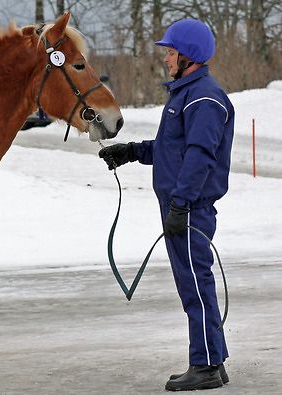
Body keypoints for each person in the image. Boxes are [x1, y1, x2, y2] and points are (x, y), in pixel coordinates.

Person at [98, 19, 234, 391]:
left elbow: (200, 155)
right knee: (193, 284)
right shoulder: (186, 94)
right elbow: (171, 149)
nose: (166, 58)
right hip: (181, 206)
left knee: (195, 285)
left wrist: (180, 204)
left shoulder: (204, 97)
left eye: (171, 52)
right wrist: (130, 152)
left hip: (189, 209)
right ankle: (213, 360)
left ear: (188, 56)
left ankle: (205, 366)